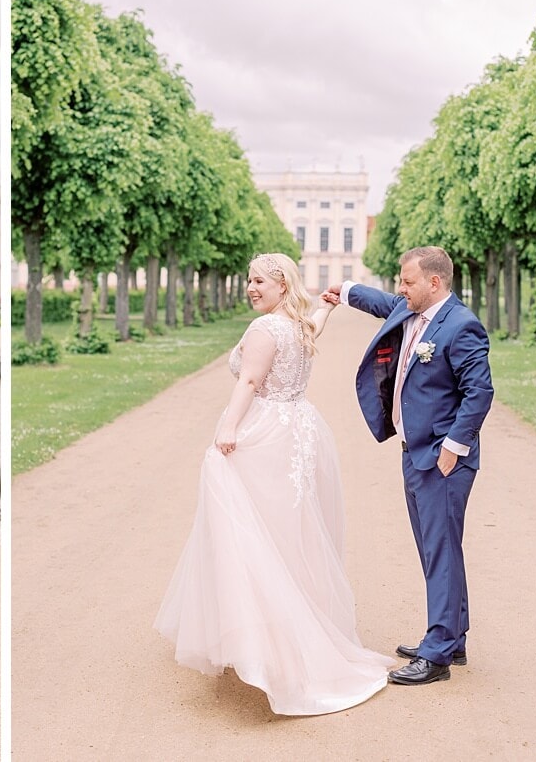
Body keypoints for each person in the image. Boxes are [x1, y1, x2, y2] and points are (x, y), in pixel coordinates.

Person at [155, 252, 392, 716]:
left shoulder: (265, 330)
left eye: (260, 280)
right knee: (288, 531)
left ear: (283, 285)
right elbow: (314, 328)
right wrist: (327, 307)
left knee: (249, 530)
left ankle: (262, 641)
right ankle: (284, 630)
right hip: (299, 429)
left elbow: (248, 379)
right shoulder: (301, 326)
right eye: (249, 280)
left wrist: (228, 429)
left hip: (266, 435)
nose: (250, 287)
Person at [325, 245, 493, 686]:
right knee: (436, 549)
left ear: (434, 283)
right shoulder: (413, 311)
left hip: (442, 459)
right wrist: (344, 291)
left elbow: (480, 392)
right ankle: (452, 639)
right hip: (414, 451)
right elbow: (382, 303)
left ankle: (436, 655)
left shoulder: (461, 326)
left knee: (439, 551)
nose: (400, 289)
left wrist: (452, 449)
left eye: (407, 281)